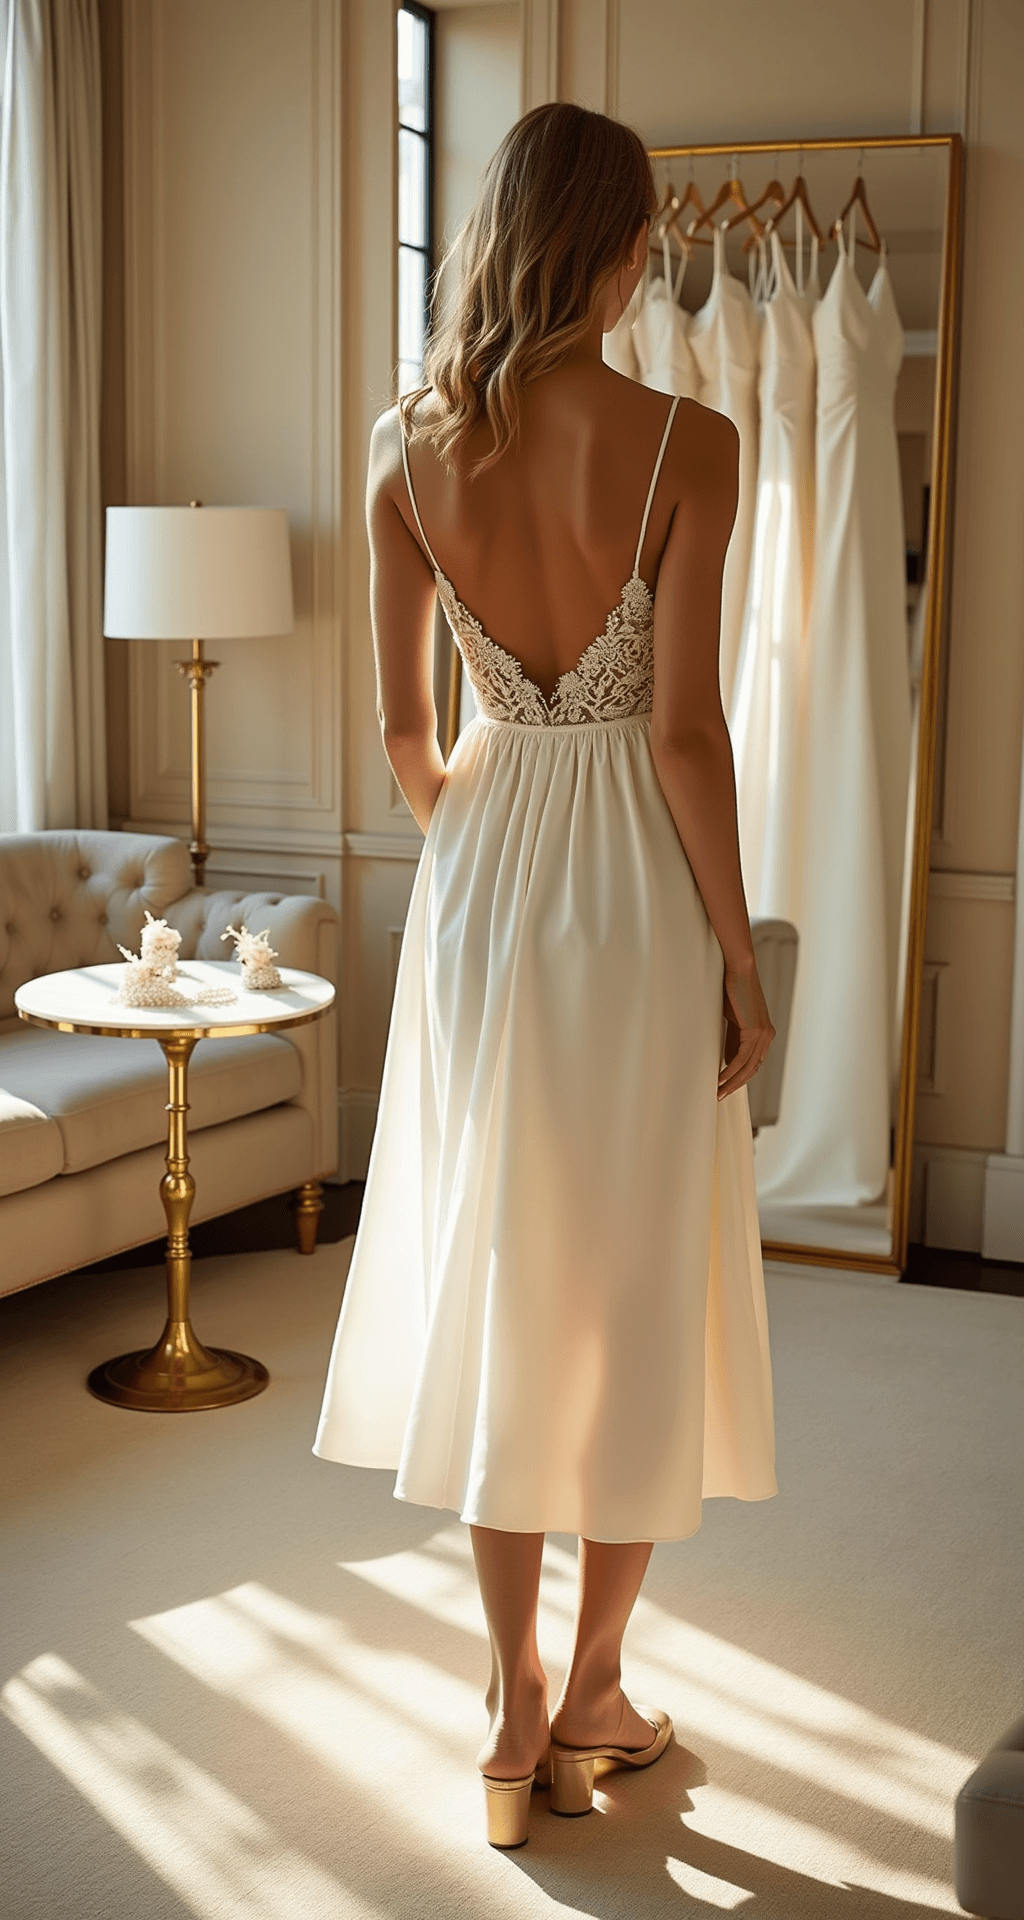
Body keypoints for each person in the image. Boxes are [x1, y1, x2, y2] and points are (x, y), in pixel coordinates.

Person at [314, 102, 778, 1850]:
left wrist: (479, 845)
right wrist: (738, 954)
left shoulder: (403, 446)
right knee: (628, 1277)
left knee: (507, 1268)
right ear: (620, 239)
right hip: (635, 904)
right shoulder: (689, 442)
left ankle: (512, 1706)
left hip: (486, 877)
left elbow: (397, 732)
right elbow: (684, 733)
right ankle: (590, 1687)